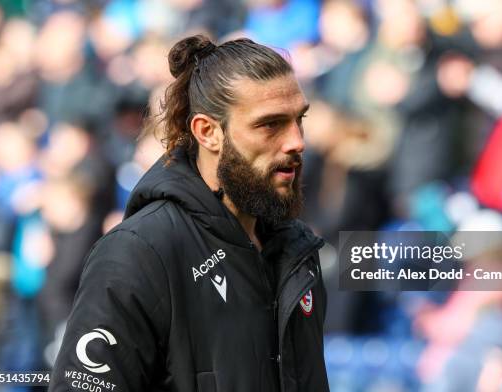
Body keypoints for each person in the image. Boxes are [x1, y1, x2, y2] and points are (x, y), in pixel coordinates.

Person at [48, 35, 329, 392]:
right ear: (208, 132)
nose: (296, 141)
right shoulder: (139, 253)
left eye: (298, 120)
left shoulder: (297, 250)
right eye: (270, 124)